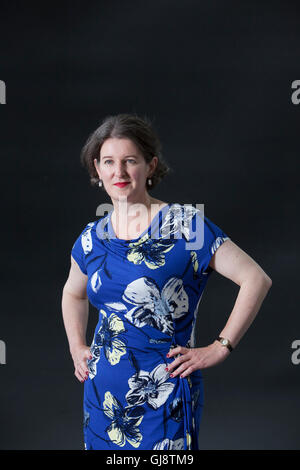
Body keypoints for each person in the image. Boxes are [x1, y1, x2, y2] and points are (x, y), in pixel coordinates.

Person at [61, 113, 272, 450]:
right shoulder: (91, 239)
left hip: (165, 396)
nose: (119, 172)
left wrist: (221, 347)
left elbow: (255, 279)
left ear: (150, 165)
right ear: (96, 170)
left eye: (130, 161)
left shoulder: (186, 227)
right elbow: (73, 294)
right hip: (103, 401)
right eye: (108, 162)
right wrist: (76, 347)